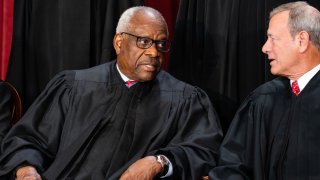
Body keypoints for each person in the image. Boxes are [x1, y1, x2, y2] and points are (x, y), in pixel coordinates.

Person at [0, 6, 223, 180]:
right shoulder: (73, 86)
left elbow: (204, 151)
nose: (154, 52)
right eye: (144, 42)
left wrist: (159, 161)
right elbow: (27, 139)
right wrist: (26, 170)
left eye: (161, 44)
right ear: (119, 42)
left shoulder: (185, 99)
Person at [207, 1, 320, 179]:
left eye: (273, 39)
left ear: (301, 40)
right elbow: (232, 166)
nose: (265, 48)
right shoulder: (263, 99)